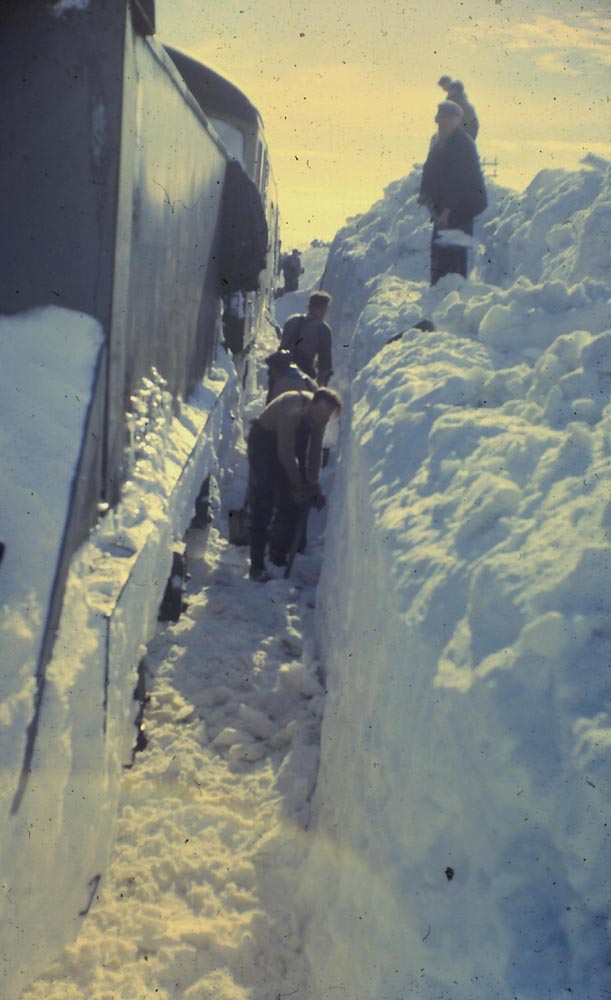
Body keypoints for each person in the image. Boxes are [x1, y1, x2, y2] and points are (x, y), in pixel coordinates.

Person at [247, 388, 341, 581]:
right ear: (312, 404)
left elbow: (314, 452)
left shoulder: (319, 418)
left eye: (327, 415)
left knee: (290, 501)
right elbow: (285, 452)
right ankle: (256, 565)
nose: (323, 417)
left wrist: (312, 484)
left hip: (286, 445)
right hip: (264, 442)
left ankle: (278, 554)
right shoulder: (293, 406)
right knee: (265, 498)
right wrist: (298, 485)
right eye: (320, 412)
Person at [418, 100, 487, 286]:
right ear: (436, 119)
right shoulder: (438, 142)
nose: (445, 122)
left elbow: (460, 181)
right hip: (445, 203)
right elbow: (430, 169)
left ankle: (454, 288)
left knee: (454, 246)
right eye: (442, 118)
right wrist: (425, 192)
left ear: (458, 121)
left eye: (450, 118)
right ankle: (438, 285)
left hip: (465, 204)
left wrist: (448, 210)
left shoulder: (463, 145)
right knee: (440, 244)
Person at [280, 291, 333, 385]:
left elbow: (283, 346)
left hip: (281, 371)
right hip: (303, 375)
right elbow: (324, 363)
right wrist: (320, 386)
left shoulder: (291, 320)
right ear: (324, 308)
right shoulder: (323, 329)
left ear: (309, 306)